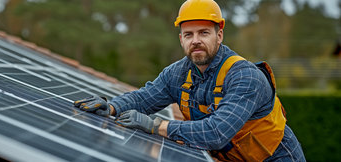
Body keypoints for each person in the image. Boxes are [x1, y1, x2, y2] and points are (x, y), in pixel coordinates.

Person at [73, 0, 305, 161]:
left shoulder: (244, 76)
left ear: (219, 35)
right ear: (181, 39)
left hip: (276, 158)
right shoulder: (177, 73)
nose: (195, 40)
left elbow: (216, 133)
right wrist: (112, 106)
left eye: (204, 33)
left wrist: (156, 126)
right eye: (188, 34)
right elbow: (145, 98)